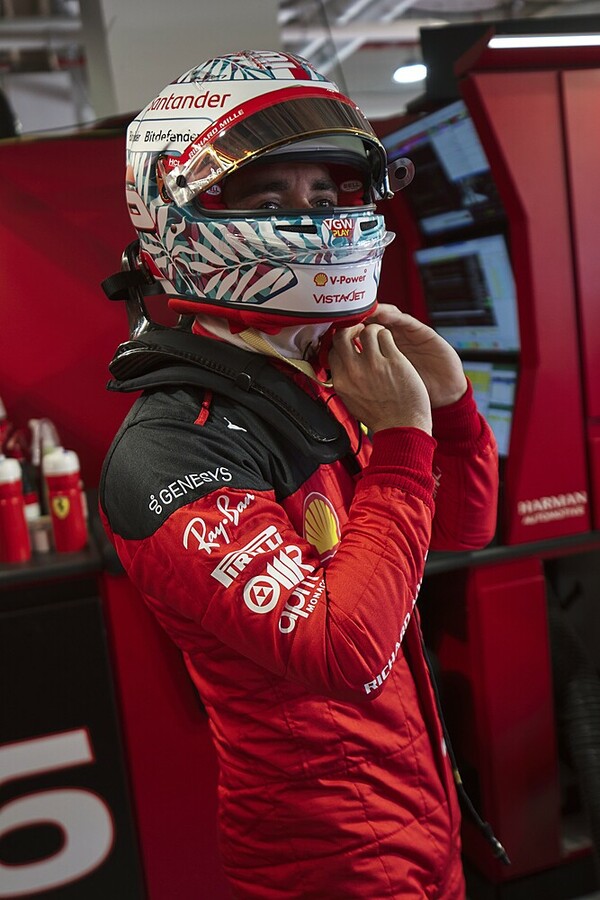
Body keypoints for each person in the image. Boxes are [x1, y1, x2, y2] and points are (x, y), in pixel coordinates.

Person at [100, 50, 501, 899]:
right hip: (328, 858)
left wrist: (451, 405)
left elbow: (465, 530)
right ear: (179, 216)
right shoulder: (169, 448)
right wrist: (402, 437)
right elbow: (345, 652)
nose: (314, 221)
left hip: (416, 810)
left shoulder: (316, 372)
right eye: (268, 199)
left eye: (325, 195)